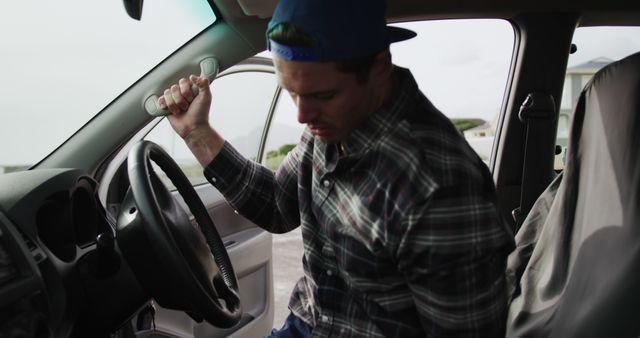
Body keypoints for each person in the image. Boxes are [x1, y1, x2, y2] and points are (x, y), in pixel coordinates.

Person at [159, 0, 514, 336]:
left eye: (322, 95)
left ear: (378, 68)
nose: (302, 115)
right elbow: (278, 205)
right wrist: (196, 132)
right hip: (307, 325)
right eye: (292, 92)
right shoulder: (332, 124)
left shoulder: (441, 188)